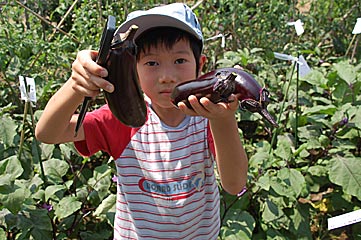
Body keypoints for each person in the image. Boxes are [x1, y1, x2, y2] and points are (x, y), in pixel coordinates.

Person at [35, 3, 248, 239]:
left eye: (179, 61)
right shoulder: (122, 117)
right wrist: (76, 86)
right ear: (132, 69)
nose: (166, 77)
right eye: (151, 63)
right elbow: (48, 133)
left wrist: (225, 119)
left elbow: (234, 184)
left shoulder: (207, 117)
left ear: (201, 65)